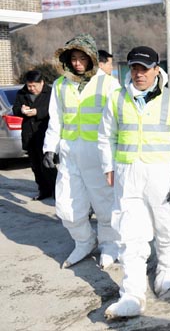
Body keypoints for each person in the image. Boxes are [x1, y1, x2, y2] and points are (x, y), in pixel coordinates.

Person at [99, 46, 170, 319]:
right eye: (134, 68)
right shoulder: (117, 98)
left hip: (161, 174)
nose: (139, 74)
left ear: (156, 69)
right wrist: (108, 166)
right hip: (127, 174)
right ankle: (132, 294)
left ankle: (167, 267)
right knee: (128, 232)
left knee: (165, 225)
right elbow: (106, 135)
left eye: (144, 68)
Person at [43, 34, 120, 269]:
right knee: (66, 206)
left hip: (98, 154)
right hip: (69, 154)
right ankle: (84, 242)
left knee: (105, 204)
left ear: (91, 58)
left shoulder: (108, 83)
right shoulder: (60, 85)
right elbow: (55, 119)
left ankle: (110, 245)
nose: (77, 63)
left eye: (82, 58)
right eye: (73, 58)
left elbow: (118, 120)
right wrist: (49, 147)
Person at [12, 70, 57, 200]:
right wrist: (21, 110)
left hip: (45, 134)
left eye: (34, 86)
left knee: (48, 165)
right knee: (36, 167)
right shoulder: (22, 93)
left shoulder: (50, 93)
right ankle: (44, 191)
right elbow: (15, 109)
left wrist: (38, 112)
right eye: (29, 86)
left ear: (42, 83)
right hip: (29, 135)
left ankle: (56, 191)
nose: (31, 89)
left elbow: (54, 110)